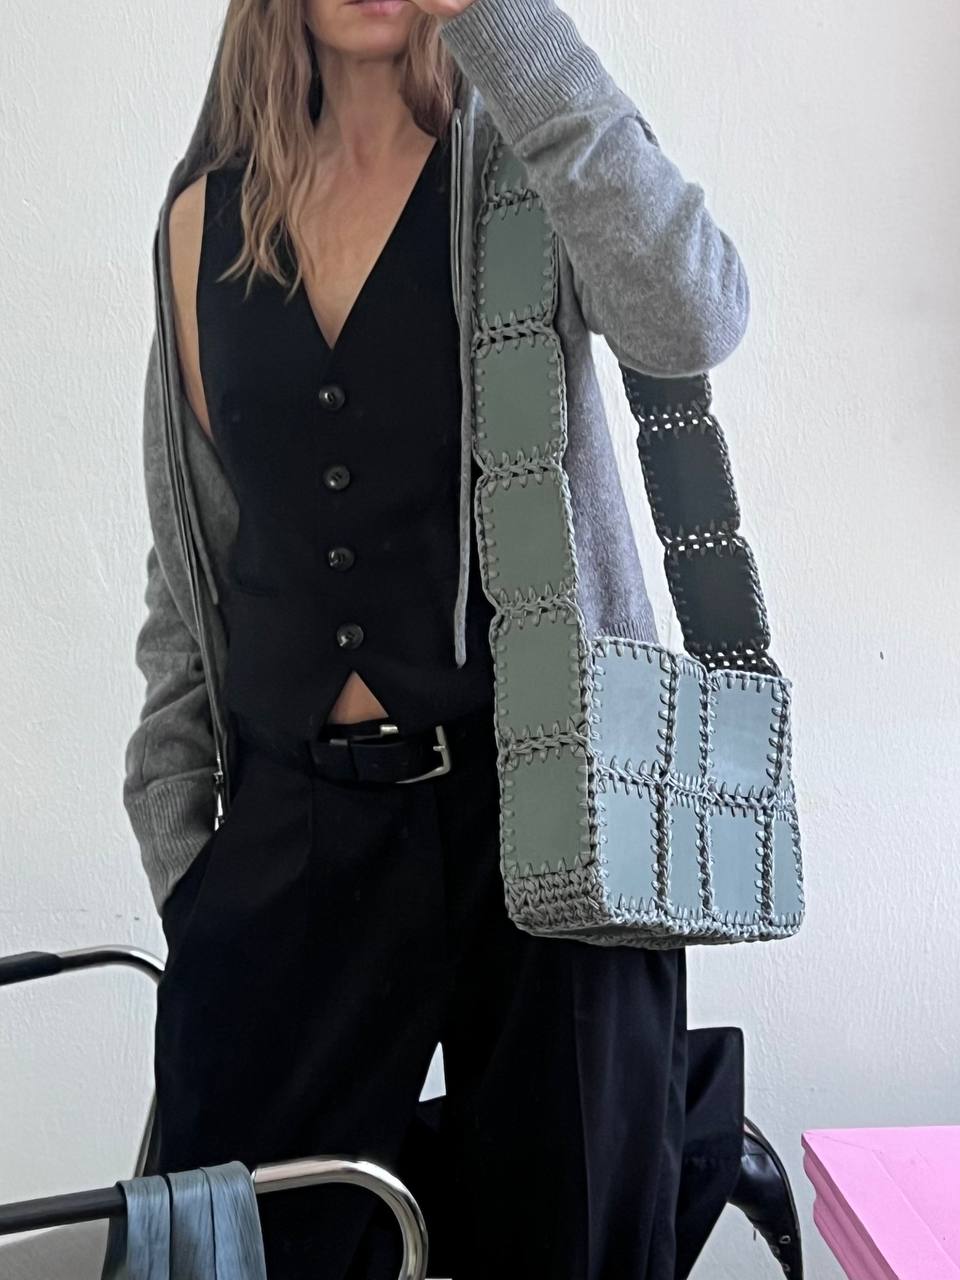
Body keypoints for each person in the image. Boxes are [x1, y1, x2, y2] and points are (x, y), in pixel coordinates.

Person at [125, 0, 753, 1275]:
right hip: (297, 824)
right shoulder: (201, 222)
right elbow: (193, 560)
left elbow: (695, 315)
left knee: (575, 1235)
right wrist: (186, 853)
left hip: (545, 821)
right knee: (228, 1241)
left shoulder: (529, 169)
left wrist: (507, 24)